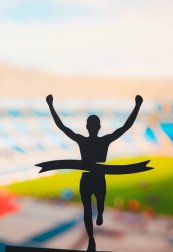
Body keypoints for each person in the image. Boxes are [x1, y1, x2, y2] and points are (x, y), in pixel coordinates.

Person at [46, 94, 143, 251]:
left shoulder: (82, 140)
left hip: (86, 177)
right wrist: (138, 105)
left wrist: (50, 105)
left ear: (86, 127)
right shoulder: (105, 140)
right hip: (99, 176)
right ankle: (99, 216)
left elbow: (62, 127)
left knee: (87, 210)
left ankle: (92, 237)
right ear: (99, 127)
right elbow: (126, 127)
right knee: (100, 201)